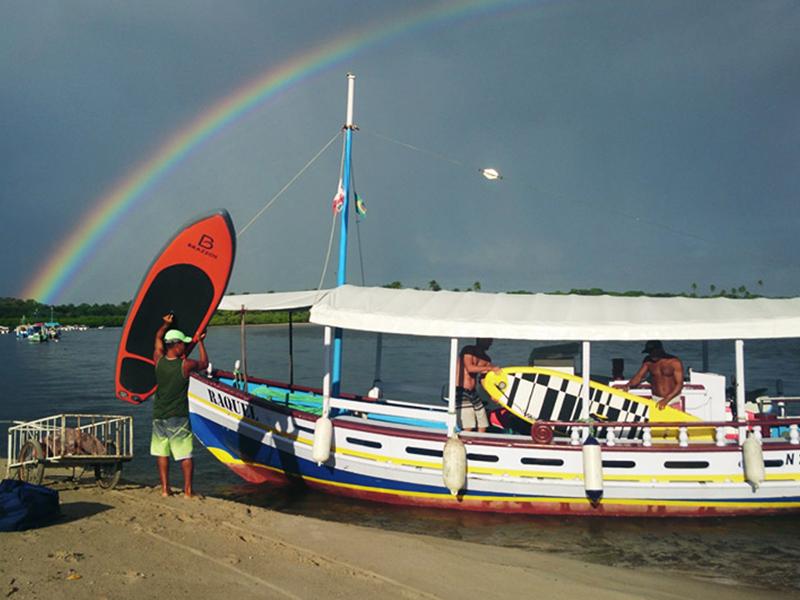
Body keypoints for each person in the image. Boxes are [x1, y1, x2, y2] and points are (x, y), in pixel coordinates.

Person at [152, 313, 208, 497]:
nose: (185, 346)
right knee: (185, 455)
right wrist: (200, 342)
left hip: (159, 415)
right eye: (182, 343)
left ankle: (164, 489)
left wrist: (164, 324)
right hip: (178, 416)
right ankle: (188, 491)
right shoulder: (185, 365)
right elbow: (204, 364)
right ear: (176, 345)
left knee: (162, 453)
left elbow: (158, 337)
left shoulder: (158, 360)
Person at [456, 338, 501, 432]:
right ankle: (465, 442)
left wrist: (492, 394)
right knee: (468, 424)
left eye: (490, 341)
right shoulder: (468, 350)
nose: (490, 343)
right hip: (461, 390)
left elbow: (483, 379)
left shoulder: (486, 359)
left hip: (473, 392)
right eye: (488, 340)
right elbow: (469, 368)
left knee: (483, 422)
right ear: (479, 340)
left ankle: (480, 441)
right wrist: (490, 368)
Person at [623, 340, 684, 410]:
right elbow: (639, 376)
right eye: (649, 353)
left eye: (653, 352)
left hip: (672, 400)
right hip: (655, 400)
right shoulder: (648, 361)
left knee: (674, 421)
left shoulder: (674, 362)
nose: (651, 355)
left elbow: (679, 384)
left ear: (660, 349)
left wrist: (666, 399)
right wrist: (628, 385)